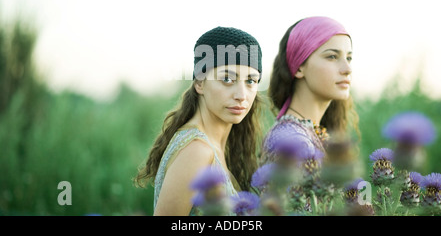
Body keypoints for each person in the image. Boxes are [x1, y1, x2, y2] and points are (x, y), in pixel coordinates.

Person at [134, 26, 264, 216]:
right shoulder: (196, 150)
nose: (242, 95)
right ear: (199, 84)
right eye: (227, 79)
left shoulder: (219, 146)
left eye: (251, 81)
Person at [261, 16, 359, 164]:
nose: (348, 69)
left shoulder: (309, 134)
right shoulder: (292, 141)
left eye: (349, 58)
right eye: (332, 56)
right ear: (299, 67)